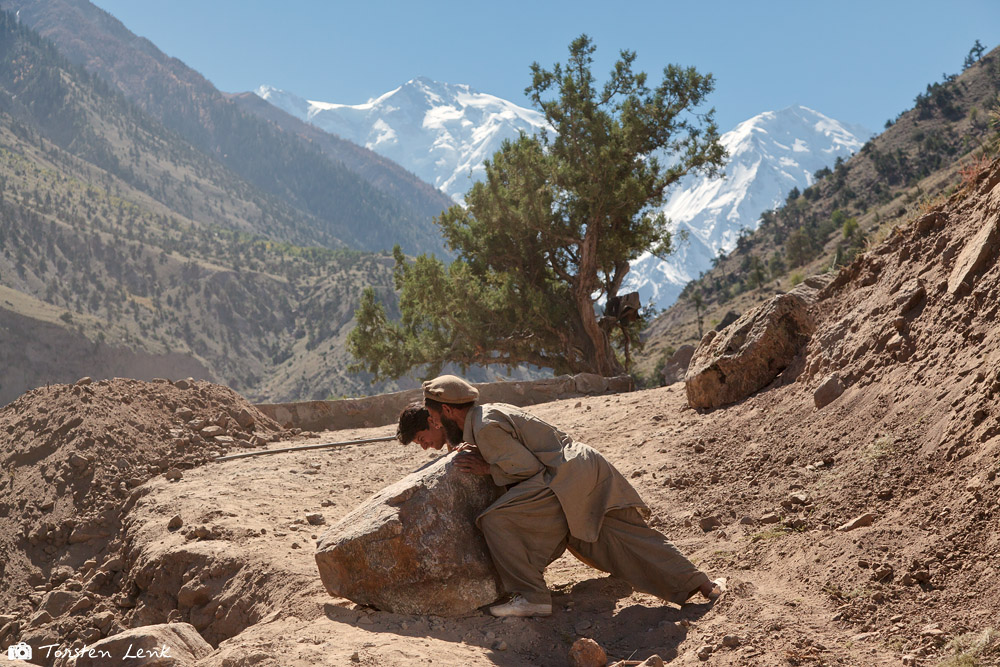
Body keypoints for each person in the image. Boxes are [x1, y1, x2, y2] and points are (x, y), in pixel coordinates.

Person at [396, 374, 723, 618]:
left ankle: (531, 596)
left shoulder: (484, 428)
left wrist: (486, 469)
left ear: (450, 411)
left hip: (565, 479)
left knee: (495, 521)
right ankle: (704, 585)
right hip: (581, 471)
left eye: (435, 417)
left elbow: (526, 469)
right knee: (627, 536)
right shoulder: (483, 417)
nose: (434, 424)